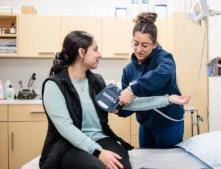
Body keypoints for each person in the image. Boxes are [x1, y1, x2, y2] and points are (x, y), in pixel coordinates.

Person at [39, 31, 190, 169]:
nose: (100, 54)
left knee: (121, 165)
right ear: (81, 52)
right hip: (68, 144)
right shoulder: (55, 85)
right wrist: (99, 152)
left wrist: (167, 99)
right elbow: (66, 128)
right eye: (96, 49)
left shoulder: (96, 81)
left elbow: (128, 103)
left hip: (100, 138)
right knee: (97, 166)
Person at [118, 12, 186, 149]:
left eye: (145, 45)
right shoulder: (128, 70)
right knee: (146, 161)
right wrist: (119, 109)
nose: (138, 49)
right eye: (135, 43)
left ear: (154, 44)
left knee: (166, 163)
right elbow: (128, 105)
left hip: (169, 123)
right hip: (146, 125)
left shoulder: (164, 59)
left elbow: (163, 74)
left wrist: (133, 89)